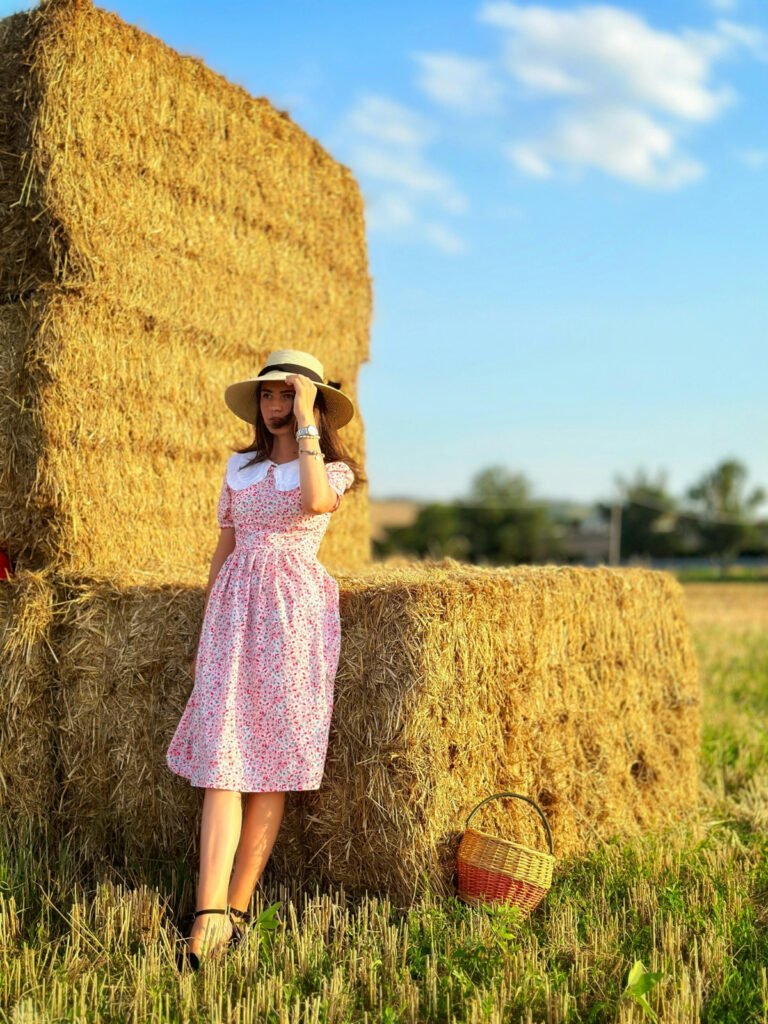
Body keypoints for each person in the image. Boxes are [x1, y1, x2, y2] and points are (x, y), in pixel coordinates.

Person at [165, 348, 363, 970]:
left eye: (288, 395)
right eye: (270, 396)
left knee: (271, 764)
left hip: (294, 613)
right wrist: (208, 627)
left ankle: (239, 909)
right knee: (222, 760)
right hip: (234, 609)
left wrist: (308, 418)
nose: (275, 406)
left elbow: (312, 505)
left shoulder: (331, 470)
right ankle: (207, 914)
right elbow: (224, 545)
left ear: (312, 405)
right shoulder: (237, 468)